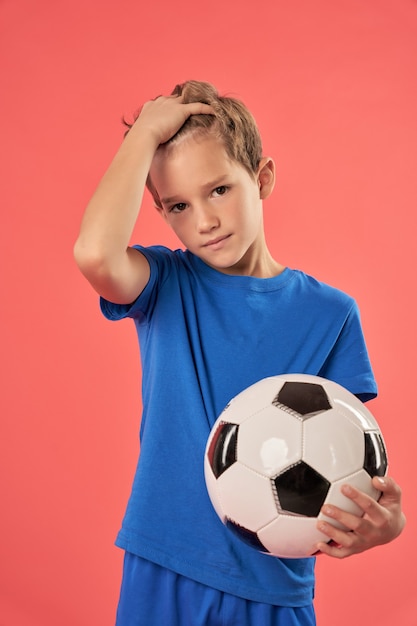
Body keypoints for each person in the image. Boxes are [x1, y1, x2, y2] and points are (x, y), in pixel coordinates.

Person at [74, 80, 405, 626]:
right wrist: (146, 134)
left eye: (219, 190)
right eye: (178, 205)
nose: (203, 220)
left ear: (262, 178)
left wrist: (381, 524)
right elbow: (94, 253)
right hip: (164, 566)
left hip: (274, 589)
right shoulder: (166, 283)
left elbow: (345, 460)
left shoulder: (332, 314)